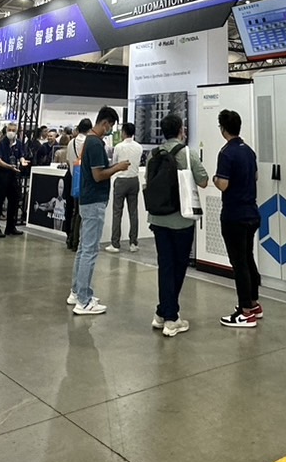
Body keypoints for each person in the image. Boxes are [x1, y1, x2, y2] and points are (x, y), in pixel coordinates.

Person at [148, 112, 209, 336]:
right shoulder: (187, 153)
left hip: (157, 218)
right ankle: (171, 319)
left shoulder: (154, 153)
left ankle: (161, 312)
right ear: (181, 130)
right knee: (178, 266)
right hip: (181, 219)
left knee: (165, 265)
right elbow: (203, 181)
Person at [69, 108, 128, 315]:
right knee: (90, 250)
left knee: (83, 248)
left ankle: (77, 291)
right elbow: (98, 175)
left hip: (88, 199)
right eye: (110, 126)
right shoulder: (95, 144)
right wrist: (118, 167)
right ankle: (84, 301)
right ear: (105, 123)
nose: (110, 130)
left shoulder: (90, 141)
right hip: (94, 201)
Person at [215, 108, 263, 327]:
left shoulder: (226, 153)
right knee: (247, 257)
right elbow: (255, 177)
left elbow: (223, 184)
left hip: (234, 215)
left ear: (223, 129)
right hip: (252, 213)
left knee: (239, 263)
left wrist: (215, 179)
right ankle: (253, 303)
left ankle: (245, 312)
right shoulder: (249, 151)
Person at [106, 122, 144, 253]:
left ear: (123, 132)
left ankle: (115, 243)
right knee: (133, 212)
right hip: (134, 180)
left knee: (117, 212)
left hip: (121, 180)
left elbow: (114, 163)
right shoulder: (139, 147)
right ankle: (133, 243)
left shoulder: (118, 147)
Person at [0, 124, 23, 238]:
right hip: (2, 175)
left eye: (13, 130)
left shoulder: (18, 143)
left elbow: (21, 155)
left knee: (14, 201)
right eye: (9, 130)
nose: (11, 132)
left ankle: (10, 227)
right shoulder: (0, 143)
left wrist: (22, 161)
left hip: (13, 176)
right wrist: (9, 166)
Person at [65, 118, 92, 251]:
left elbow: (68, 160)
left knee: (74, 211)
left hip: (73, 179)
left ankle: (70, 238)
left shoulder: (71, 142)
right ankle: (75, 241)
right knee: (81, 213)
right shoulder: (89, 142)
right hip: (85, 181)